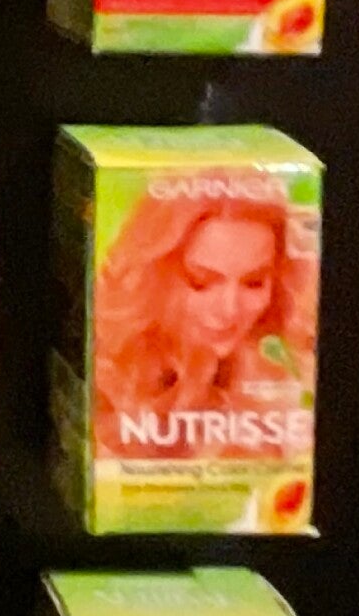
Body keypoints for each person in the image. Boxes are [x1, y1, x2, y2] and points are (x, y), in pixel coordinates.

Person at [94, 179, 313, 455]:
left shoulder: (277, 381)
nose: (230, 309)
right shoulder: (104, 372)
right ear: (155, 275)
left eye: (254, 282)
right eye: (201, 281)